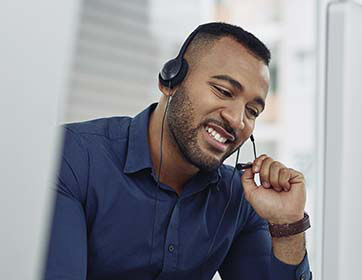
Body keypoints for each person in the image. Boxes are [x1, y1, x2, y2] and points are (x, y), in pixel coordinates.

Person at [44, 22, 312, 280]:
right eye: (223, 91)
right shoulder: (72, 157)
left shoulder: (240, 199)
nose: (237, 120)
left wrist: (288, 227)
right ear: (170, 80)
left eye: (252, 111)